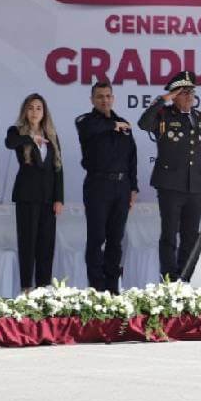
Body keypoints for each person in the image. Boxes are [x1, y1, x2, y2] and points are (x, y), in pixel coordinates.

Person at [138, 71, 201, 281]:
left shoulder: (200, 117)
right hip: (170, 185)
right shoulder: (164, 114)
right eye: (184, 93)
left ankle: (186, 277)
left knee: (191, 235)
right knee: (169, 234)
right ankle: (169, 279)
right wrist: (164, 99)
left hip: (195, 186)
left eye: (191, 92)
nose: (189, 97)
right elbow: (144, 123)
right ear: (175, 96)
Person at [76, 81, 138, 293]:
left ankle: (112, 288)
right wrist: (112, 126)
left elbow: (132, 158)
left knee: (116, 239)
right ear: (92, 100)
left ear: (113, 98)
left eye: (108, 96)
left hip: (122, 186)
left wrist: (133, 188)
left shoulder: (123, 123)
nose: (105, 100)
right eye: (100, 96)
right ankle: (97, 288)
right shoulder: (86, 121)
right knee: (96, 238)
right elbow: (90, 130)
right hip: (98, 185)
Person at [5, 94, 64, 291]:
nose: (34, 112)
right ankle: (26, 288)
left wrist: (59, 198)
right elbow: (10, 143)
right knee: (27, 244)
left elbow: (58, 168)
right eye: (30, 108)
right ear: (25, 111)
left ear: (44, 112)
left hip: (48, 198)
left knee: (46, 245)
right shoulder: (17, 132)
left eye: (38, 108)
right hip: (27, 196)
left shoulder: (52, 135)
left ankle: (43, 288)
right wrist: (30, 138)